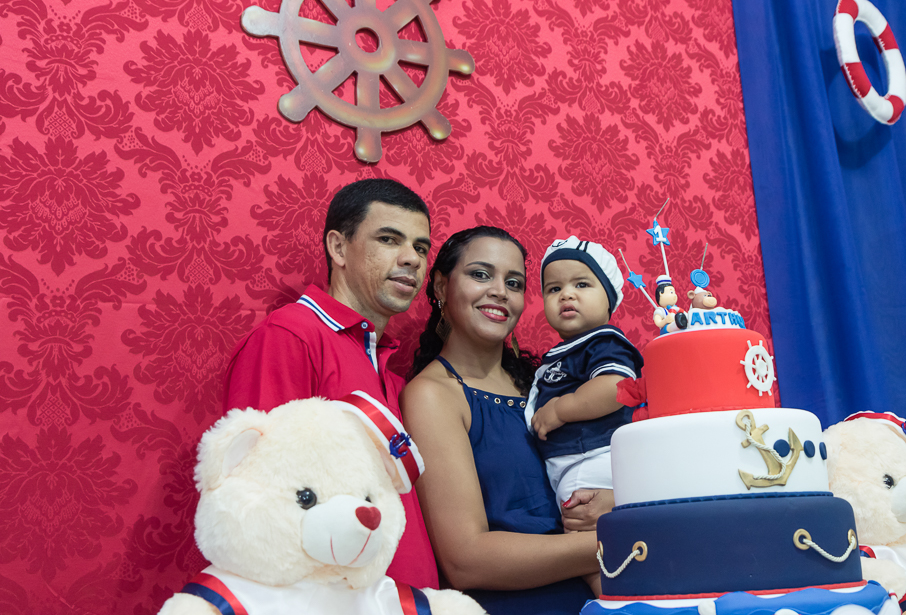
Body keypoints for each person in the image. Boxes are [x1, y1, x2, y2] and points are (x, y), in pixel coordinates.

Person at [222, 178, 439, 590]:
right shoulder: (290, 336)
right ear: (339, 248)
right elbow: (263, 502)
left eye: (420, 247)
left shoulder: (389, 367)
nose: (411, 258)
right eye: (389, 239)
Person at [401, 226, 605, 615]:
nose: (499, 291)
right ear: (441, 286)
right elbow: (466, 559)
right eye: (481, 275)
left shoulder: (545, 384)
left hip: (602, 598)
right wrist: (615, 542)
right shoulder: (434, 394)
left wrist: (608, 505)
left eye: (513, 282)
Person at [526, 236, 643, 512]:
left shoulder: (604, 341)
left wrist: (560, 409)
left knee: (585, 527)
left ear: (609, 300)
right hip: (573, 461)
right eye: (554, 288)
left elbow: (615, 387)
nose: (566, 294)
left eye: (582, 284)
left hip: (596, 458)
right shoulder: (567, 350)